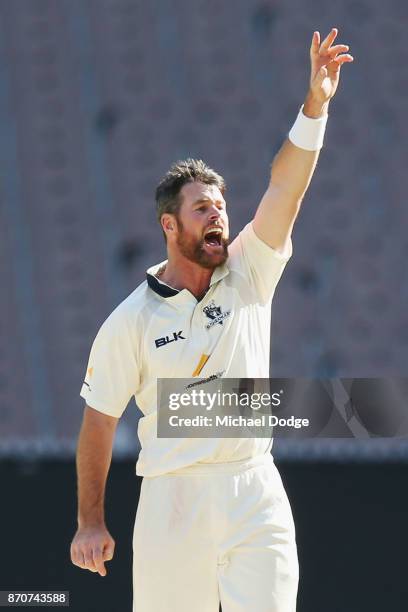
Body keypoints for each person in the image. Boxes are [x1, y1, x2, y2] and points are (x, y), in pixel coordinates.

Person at [70, 28, 353, 612]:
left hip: (254, 489)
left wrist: (315, 107)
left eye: (221, 205)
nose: (217, 216)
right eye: (202, 208)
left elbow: (285, 186)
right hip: (173, 500)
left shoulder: (250, 270)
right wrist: (89, 523)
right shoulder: (131, 320)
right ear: (170, 227)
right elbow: (98, 424)